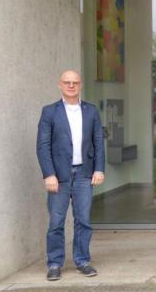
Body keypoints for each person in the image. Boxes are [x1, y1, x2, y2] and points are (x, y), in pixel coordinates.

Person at [36, 70, 105, 281]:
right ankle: (55, 263)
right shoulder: (49, 112)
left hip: (84, 173)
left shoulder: (91, 111)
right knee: (56, 222)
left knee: (83, 220)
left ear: (80, 85)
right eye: (67, 82)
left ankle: (82, 260)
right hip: (60, 176)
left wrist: (99, 169)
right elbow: (43, 145)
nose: (71, 86)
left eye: (75, 82)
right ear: (60, 85)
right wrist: (49, 174)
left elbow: (98, 142)